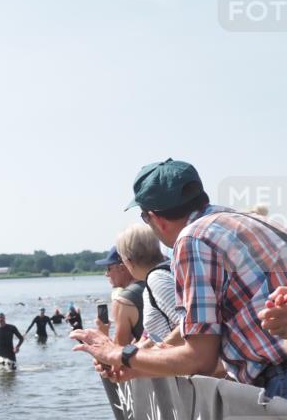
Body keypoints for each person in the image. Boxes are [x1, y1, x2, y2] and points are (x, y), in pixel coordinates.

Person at [73, 158, 287, 399]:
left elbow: (199, 359)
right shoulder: (253, 221)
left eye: (144, 217)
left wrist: (118, 354)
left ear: (156, 219)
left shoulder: (193, 239)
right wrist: (139, 366)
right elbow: (223, 352)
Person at [115, 224, 184, 345]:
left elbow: (190, 324)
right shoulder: (166, 271)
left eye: (122, 260)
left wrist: (158, 349)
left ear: (129, 261)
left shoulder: (157, 279)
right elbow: (153, 336)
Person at [95, 247, 144, 347]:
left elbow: (119, 357)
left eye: (109, 268)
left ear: (122, 268)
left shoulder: (124, 300)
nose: (106, 274)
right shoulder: (148, 285)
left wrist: (102, 334)